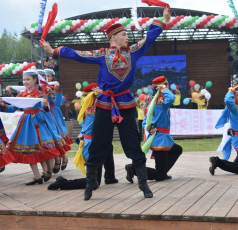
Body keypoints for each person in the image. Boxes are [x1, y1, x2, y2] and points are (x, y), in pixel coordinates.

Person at [40, 7, 171, 200]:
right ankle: (89, 186)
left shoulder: (133, 52)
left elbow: (149, 38)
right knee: (98, 143)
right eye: (124, 34)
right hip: (104, 104)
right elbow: (79, 54)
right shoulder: (102, 55)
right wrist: (55, 51)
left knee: (133, 143)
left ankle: (143, 184)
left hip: (125, 104)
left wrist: (163, 20)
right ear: (114, 37)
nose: (128, 37)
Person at [48, 83, 118, 190]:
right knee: (94, 182)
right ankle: (63, 183)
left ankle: (110, 176)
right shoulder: (97, 110)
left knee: (108, 148)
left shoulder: (87, 108)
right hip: (94, 144)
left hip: (92, 141)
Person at [0, 70, 61, 185]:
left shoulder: (40, 94)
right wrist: (2, 104)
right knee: (28, 150)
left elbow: (47, 108)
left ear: (35, 80)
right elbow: (13, 108)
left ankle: (49, 169)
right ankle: (37, 176)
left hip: (39, 121)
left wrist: (45, 105)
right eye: (24, 79)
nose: (25, 81)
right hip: (26, 123)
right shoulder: (21, 94)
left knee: (45, 147)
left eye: (28, 79)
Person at [126, 76, 182, 181]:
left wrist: (149, 128)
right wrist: (164, 89)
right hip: (160, 139)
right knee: (160, 176)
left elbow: (145, 121)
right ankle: (133, 169)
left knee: (177, 149)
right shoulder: (160, 100)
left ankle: (163, 171)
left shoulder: (154, 101)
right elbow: (171, 98)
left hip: (160, 137)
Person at [209, 84, 238, 175]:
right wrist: (230, 92)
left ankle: (216, 162)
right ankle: (216, 161)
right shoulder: (234, 107)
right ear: (234, 96)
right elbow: (227, 100)